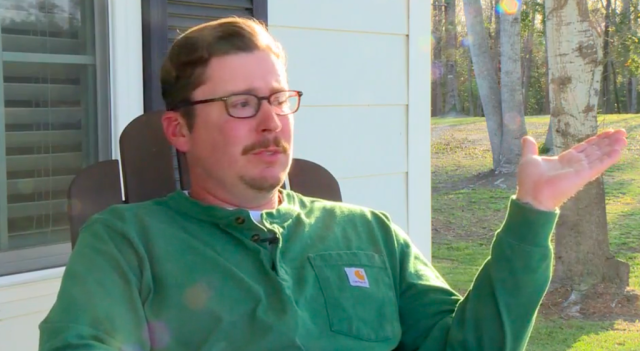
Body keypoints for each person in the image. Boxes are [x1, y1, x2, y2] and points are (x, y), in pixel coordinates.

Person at [38, 17, 628, 351]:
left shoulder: (367, 235)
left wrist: (533, 211)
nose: (271, 121)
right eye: (242, 103)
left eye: (278, 100)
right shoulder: (130, 241)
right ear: (179, 129)